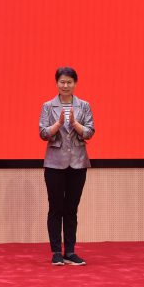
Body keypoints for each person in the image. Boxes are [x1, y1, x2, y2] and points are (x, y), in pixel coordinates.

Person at [39, 66, 95, 266]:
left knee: (71, 209)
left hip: (78, 163)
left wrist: (75, 125)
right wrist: (58, 124)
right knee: (55, 208)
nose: (65, 85)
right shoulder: (48, 106)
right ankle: (56, 252)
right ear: (56, 83)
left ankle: (70, 251)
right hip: (54, 163)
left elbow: (89, 132)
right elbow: (43, 133)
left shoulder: (84, 106)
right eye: (62, 82)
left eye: (69, 82)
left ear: (75, 83)